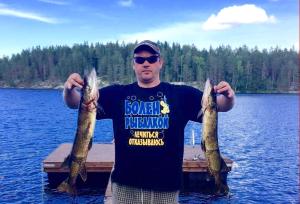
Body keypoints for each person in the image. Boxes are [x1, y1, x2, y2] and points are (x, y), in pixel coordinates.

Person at [63, 40, 235, 203]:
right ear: (134, 64)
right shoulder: (117, 94)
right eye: (140, 59)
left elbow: (218, 107)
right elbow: (76, 103)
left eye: (152, 59)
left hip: (166, 188)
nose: (146, 63)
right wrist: (68, 90)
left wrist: (229, 97)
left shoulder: (181, 95)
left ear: (160, 62)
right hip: (125, 187)